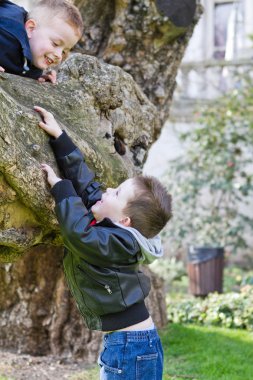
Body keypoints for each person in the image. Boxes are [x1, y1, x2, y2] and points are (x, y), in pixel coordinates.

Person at [34, 105, 172, 380]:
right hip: (128, 343)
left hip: (130, 347)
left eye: (116, 192)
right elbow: (88, 187)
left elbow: (79, 234)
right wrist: (60, 138)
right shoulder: (117, 232)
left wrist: (61, 188)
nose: (108, 189)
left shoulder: (119, 243)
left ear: (125, 221)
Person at [0, 0, 83, 83]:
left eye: (64, 52)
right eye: (55, 44)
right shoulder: (8, 30)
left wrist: (39, 78)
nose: (59, 55)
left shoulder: (36, 58)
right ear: (31, 29)